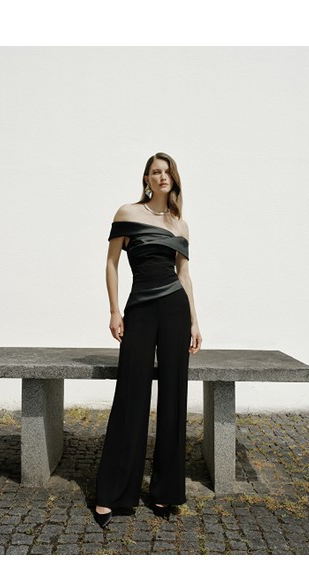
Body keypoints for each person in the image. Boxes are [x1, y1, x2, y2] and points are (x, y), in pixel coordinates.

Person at [93, 152, 202, 528]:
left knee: (173, 397)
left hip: (175, 311)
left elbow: (184, 275)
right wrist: (114, 311)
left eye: (167, 172)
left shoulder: (180, 224)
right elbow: (111, 263)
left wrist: (194, 321)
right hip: (139, 309)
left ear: (174, 179)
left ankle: (165, 491)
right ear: (146, 178)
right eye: (156, 172)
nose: (162, 177)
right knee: (131, 394)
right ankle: (113, 493)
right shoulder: (127, 213)